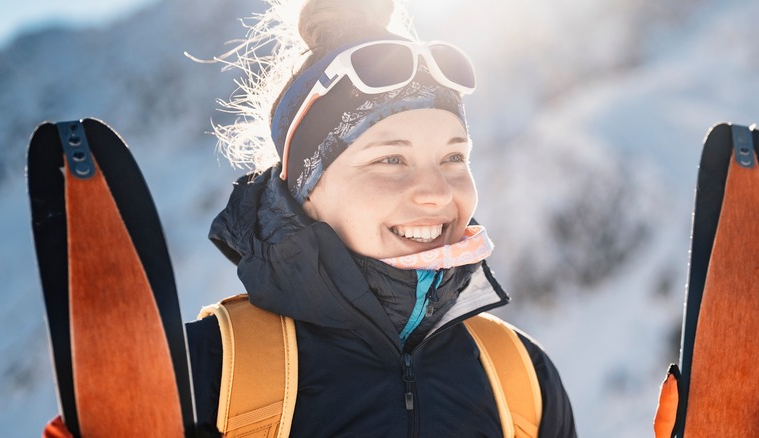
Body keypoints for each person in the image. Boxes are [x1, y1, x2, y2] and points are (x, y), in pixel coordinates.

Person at [45, 0, 577, 436]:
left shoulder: (520, 378)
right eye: (390, 159)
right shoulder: (204, 374)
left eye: (454, 157)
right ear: (306, 190)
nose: (436, 192)